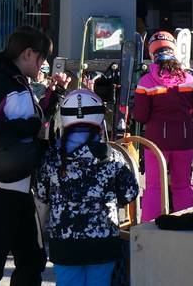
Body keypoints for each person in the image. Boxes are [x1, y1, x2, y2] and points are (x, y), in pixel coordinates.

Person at [0, 26, 67, 285]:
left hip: (19, 186)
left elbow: (34, 122)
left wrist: (55, 94)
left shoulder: (19, 81)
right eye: (42, 57)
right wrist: (19, 129)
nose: (44, 64)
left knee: (32, 259)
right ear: (28, 53)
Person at [33, 89, 139, 286]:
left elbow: (41, 194)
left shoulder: (52, 157)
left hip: (64, 243)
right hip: (103, 241)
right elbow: (130, 193)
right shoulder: (113, 157)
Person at [133, 30, 193, 222]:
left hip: (156, 141)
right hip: (185, 139)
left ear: (152, 53)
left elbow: (140, 116)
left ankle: (149, 227)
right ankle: (186, 224)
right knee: (182, 185)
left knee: (154, 187)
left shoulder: (146, 81)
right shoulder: (189, 79)